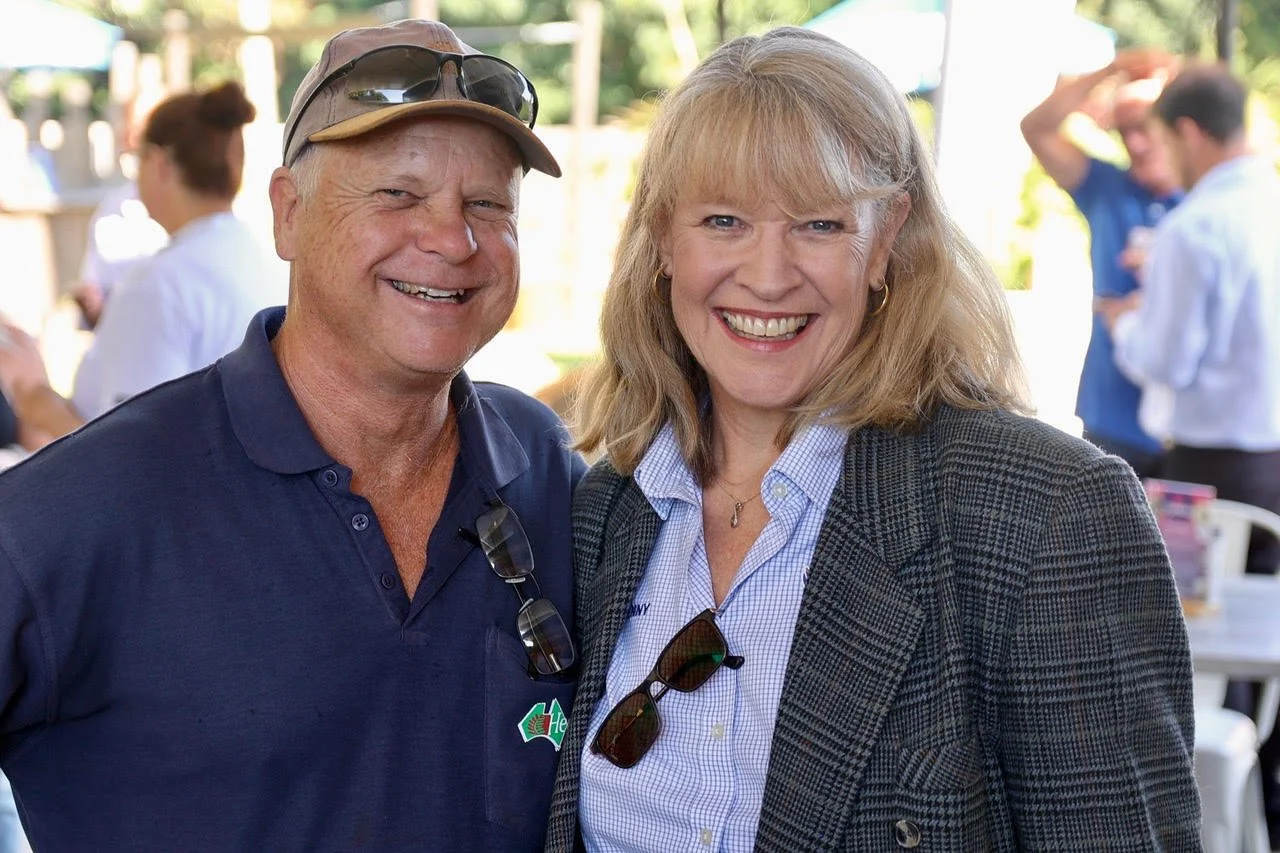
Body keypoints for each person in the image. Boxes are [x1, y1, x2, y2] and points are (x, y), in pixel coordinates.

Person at [544, 27, 1199, 851]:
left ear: (886, 240)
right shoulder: (605, 509)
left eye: (819, 224)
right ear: (664, 239)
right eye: (724, 220)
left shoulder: (1045, 515)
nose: (769, 275)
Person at [0, 19, 582, 851]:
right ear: (288, 214)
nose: (452, 240)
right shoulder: (85, 505)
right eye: (398, 194)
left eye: (488, 204)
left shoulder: (543, 470)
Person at [1098, 60, 1280, 840]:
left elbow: (1167, 360)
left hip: (1211, 468)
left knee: (1192, 643)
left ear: (1189, 132)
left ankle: (1206, 819)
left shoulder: (1194, 226)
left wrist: (1126, 322)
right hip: (1269, 455)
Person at [0, 81, 286, 448]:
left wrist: (36, 397)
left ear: (160, 164)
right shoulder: (264, 258)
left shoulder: (159, 285)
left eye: (138, 159)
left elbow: (128, 449)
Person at [1020, 48, 1183, 478]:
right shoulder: (1109, 188)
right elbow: (1037, 128)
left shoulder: (1208, 202)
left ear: (1178, 127)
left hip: (1187, 424)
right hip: (1113, 417)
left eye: (1145, 127)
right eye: (1124, 131)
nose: (1136, 143)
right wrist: (1111, 69)